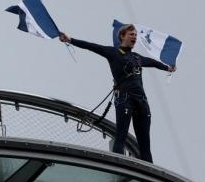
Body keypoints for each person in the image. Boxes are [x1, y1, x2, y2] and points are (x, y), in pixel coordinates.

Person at [58, 24, 176, 163]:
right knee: (121, 135)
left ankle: (150, 174)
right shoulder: (113, 52)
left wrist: (167, 67)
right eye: (131, 34)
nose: (135, 37)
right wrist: (70, 40)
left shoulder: (137, 57)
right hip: (124, 98)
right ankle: (118, 167)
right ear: (122, 36)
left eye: (135, 35)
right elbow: (91, 46)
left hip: (141, 101)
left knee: (145, 142)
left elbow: (153, 63)